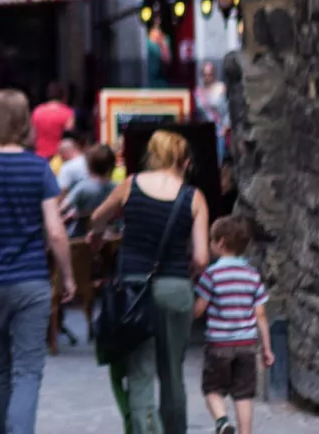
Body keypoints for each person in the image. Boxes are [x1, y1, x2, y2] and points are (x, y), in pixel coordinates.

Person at [0, 89, 74, 434]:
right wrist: (68, 276)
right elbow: (55, 231)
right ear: (25, 122)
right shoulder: (39, 168)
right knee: (27, 372)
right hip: (31, 282)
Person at [91, 130, 210, 434]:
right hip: (175, 288)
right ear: (184, 161)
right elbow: (201, 258)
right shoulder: (194, 198)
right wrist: (188, 274)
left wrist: (100, 234)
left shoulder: (131, 185)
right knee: (172, 375)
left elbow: (96, 218)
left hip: (134, 289)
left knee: (140, 373)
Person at [194, 216, 272, 434]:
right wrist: (266, 348)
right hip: (247, 345)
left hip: (219, 345)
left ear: (219, 243)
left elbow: (199, 308)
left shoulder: (212, 274)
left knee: (212, 389)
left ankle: (222, 422)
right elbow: (261, 315)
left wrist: (190, 309)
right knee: (244, 394)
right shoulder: (252, 275)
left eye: (210, 240)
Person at [61, 143, 117, 238]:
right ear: (112, 166)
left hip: (81, 237)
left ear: (89, 166)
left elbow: (63, 208)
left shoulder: (83, 187)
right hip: (109, 236)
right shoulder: (116, 188)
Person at [32, 81, 76, 159]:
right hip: (59, 158)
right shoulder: (68, 113)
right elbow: (69, 135)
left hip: (39, 156)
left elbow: (32, 134)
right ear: (64, 96)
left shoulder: (37, 111)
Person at [196, 60, 230, 164]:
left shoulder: (221, 88)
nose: (207, 76)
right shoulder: (198, 91)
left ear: (214, 74)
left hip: (219, 131)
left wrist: (225, 128)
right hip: (204, 132)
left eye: (210, 74)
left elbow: (228, 110)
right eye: (205, 74)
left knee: (218, 162)